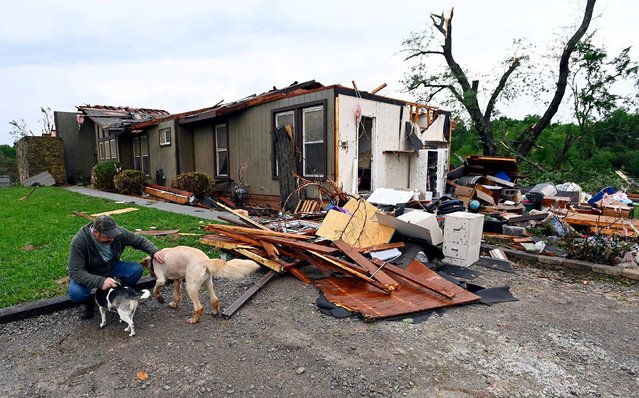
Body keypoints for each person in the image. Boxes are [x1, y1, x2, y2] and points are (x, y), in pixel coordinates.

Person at [67, 214, 166, 319]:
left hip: (111, 267)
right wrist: (100, 282)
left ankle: (121, 295)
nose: (112, 238)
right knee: (76, 293)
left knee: (136, 270)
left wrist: (154, 251)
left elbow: (139, 241)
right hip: (89, 272)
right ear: (95, 232)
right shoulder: (80, 241)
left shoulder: (119, 233)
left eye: (113, 235)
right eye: (107, 236)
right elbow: (75, 271)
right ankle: (86, 303)